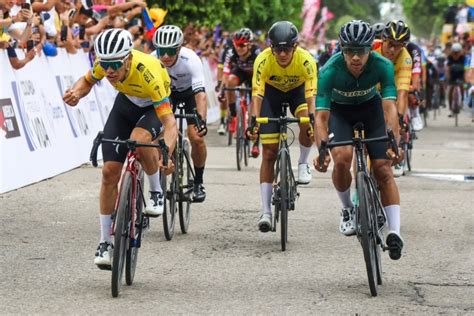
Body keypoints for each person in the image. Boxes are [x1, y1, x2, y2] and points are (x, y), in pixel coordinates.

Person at [62, 28, 177, 269]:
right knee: (108, 173)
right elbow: (87, 81)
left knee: (139, 139)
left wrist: (166, 152)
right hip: (125, 104)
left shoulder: (150, 73)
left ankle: (156, 192)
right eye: (106, 64)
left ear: (129, 58)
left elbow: (169, 123)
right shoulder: (105, 63)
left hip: (153, 107)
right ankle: (105, 242)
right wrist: (76, 93)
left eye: (115, 64)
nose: (110, 71)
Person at [314, 20, 404, 260]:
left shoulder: (382, 65)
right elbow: (321, 117)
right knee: (342, 158)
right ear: (342, 49)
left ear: (370, 49)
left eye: (362, 51)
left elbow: (390, 108)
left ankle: (394, 233)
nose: (356, 57)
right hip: (340, 113)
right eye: (350, 51)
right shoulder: (329, 71)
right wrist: (322, 150)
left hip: (370, 109)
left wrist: (394, 142)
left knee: (384, 168)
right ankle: (347, 209)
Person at [247, 21, 316, 232]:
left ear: (295, 46)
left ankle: (303, 163)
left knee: (306, 120)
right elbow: (257, 95)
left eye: (287, 48)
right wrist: (253, 121)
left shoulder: (306, 60)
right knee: (269, 153)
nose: (283, 53)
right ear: (271, 47)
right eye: (278, 48)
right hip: (271, 95)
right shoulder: (263, 60)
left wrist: (312, 119)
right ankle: (265, 211)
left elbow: (312, 95)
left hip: (298, 93)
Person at [152, 25, 208, 202]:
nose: (166, 56)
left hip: (190, 93)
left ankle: (198, 181)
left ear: (178, 48)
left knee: (196, 137)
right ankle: (167, 171)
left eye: (170, 51)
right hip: (167, 95)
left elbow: (200, 94)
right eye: (162, 51)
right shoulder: (153, 60)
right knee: (161, 134)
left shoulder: (190, 59)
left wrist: (202, 121)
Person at [373, 20, 413, 176]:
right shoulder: (371, 48)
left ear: (403, 46)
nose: (392, 49)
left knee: (394, 118)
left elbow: (402, 93)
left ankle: (394, 153)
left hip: (391, 87)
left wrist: (401, 119)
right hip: (371, 85)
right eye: (390, 43)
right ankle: (358, 185)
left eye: (398, 45)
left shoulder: (406, 58)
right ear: (383, 39)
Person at [223, 27, 261, 157]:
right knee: (230, 81)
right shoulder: (231, 52)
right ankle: (233, 112)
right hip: (240, 72)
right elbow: (226, 71)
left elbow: (262, 75)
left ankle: (256, 143)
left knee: (254, 109)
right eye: (236, 44)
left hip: (255, 76)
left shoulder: (257, 53)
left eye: (242, 45)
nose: (239, 48)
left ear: (250, 45)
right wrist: (223, 89)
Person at [446, 42, 467, 117]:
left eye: (457, 52)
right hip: (452, 76)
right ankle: (450, 107)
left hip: (460, 76)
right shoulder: (449, 57)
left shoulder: (463, 57)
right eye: (455, 52)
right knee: (450, 89)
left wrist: (465, 78)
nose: (456, 54)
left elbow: (466, 69)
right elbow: (447, 68)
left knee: (461, 87)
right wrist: (448, 77)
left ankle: (461, 102)